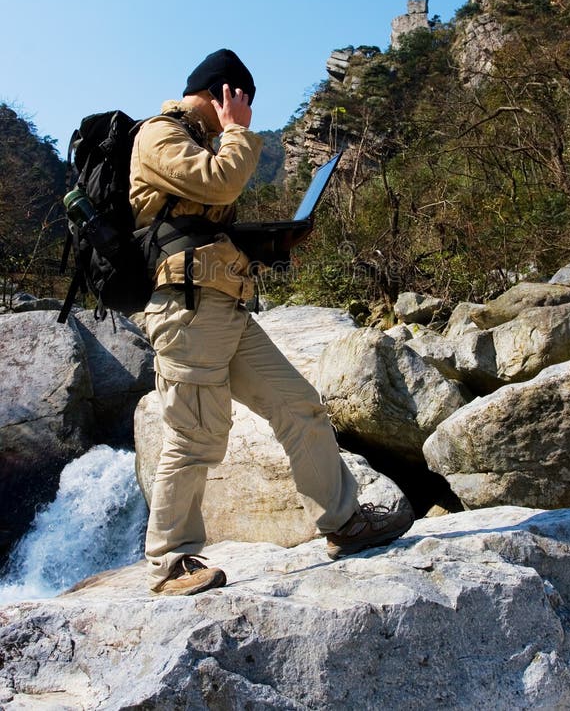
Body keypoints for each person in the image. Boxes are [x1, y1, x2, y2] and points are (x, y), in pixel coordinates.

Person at [130, 48, 414, 596]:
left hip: (225, 305)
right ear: (223, 94)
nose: (243, 113)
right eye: (240, 101)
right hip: (188, 309)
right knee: (195, 434)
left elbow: (204, 224)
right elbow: (220, 184)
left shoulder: (196, 141)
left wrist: (274, 241)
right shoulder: (158, 135)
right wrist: (237, 131)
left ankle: (344, 523)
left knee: (299, 404)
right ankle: (169, 562)